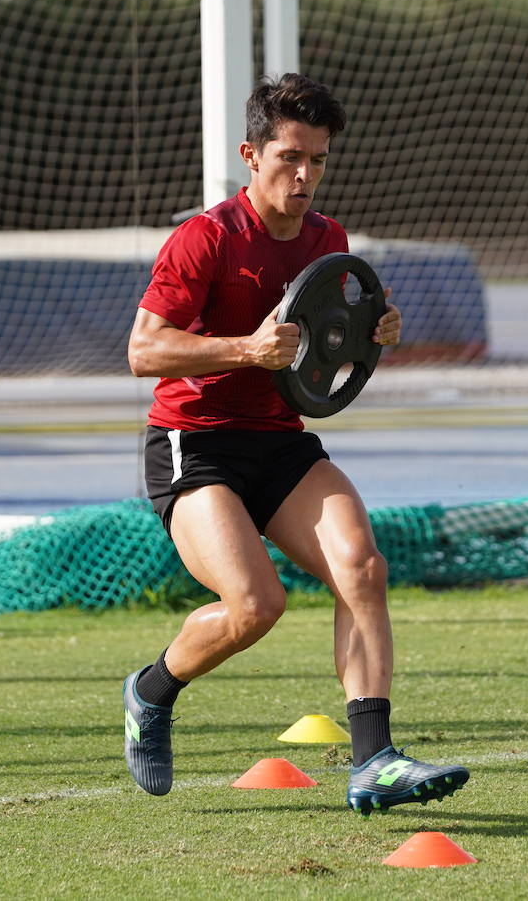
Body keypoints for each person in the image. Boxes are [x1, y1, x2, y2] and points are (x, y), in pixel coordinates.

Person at [124, 73, 469, 814]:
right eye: (289, 157)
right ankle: (151, 691)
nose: (305, 175)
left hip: (280, 440)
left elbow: (326, 351)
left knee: (363, 567)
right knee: (255, 605)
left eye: (318, 159)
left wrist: (373, 336)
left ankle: (373, 759)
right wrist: (245, 351)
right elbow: (144, 352)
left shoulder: (328, 240)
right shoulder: (205, 239)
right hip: (195, 442)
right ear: (252, 154)